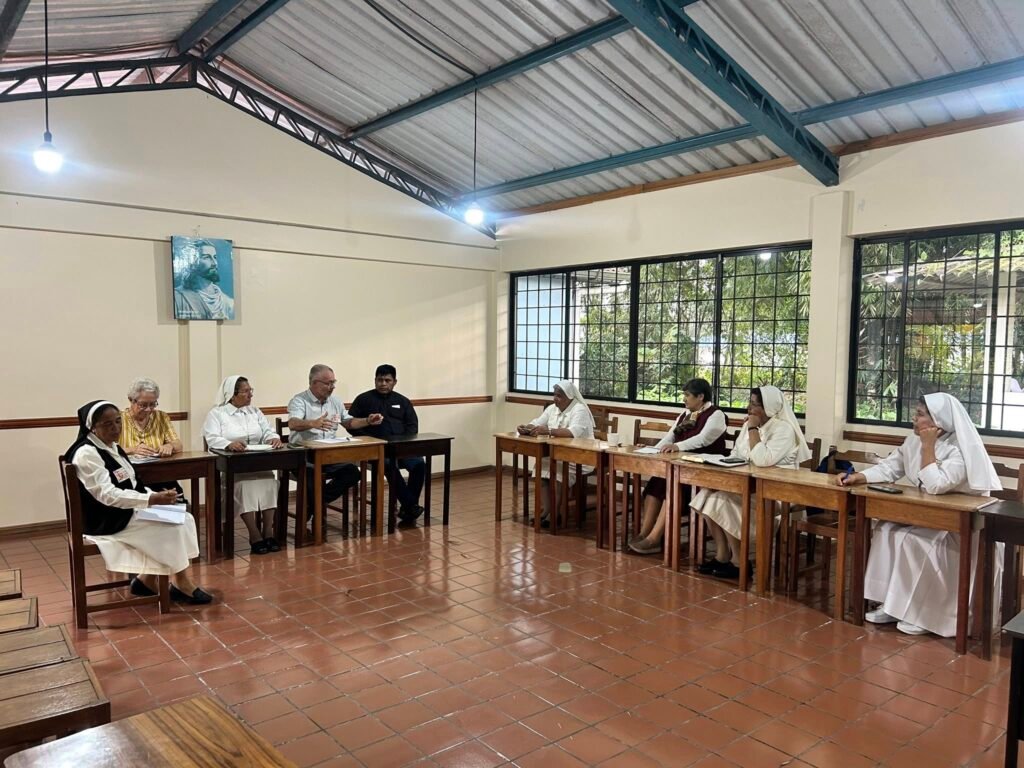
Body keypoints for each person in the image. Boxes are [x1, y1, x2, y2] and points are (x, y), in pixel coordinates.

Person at [837, 393, 1001, 636]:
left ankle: (923, 615)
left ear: (939, 422)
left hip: (960, 526)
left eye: (920, 414)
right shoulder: (913, 440)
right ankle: (893, 605)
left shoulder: (961, 449)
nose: (914, 419)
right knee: (886, 529)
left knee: (912, 541)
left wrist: (928, 446)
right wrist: (858, 477)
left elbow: (936, 485)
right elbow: (891, 466)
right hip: (929, 516)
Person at [65, 400, 211, 604]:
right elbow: (107, 494)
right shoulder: (87, 453)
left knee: (184, 517)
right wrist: (150, 499)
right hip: (106, 519)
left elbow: (133, 484)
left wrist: (158, 496)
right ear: (92, 427)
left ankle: (146, 580)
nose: (116, 428)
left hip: (124, 511)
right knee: (172, 526)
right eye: (108, 424)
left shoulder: (111, 447)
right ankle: (181, 582)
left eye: (118, 421)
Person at [691, 386, 811, 579]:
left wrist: (753, 429)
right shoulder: (750, 424)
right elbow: (736, 454)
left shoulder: (784, 429)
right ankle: (723, 555)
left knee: (721, 500)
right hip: (747, 486)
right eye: (750, 403)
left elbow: (762, 461)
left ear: (769, 407)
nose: (749, 408)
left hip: (776, 492)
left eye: (755, 405)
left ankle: (739, 562)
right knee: (706, 493)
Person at [628, 378, 728, 555]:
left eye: (687, 395)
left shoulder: (717, 415)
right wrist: (653, 449)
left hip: (701, 473)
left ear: (700, 396)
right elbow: (670, 437)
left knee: (672, 490)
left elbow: (703, 439)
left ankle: (654, 539)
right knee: (656, 484)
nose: (684, 399)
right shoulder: (685, 415)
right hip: (678, 468)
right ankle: (645, 533)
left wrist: (677, 446)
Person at [287, 364, 383, 529]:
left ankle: (313, 506)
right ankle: (316, 507)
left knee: (352, 472)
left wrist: (367, 420)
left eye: (333, 382)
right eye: (328, 383)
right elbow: (293, 423)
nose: (332, 387)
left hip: (329, 455)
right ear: (314, 383)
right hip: (304, 455)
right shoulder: (299, 400)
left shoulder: (335, 401)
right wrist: (312, 423)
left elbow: (348, 422)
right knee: (311, 475)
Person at [203, 376, 282, 555]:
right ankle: (254, 534)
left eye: (250, 390)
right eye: (246, 391)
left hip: (259, 465)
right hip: (235, 470)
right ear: (232, 394)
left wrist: (273, 437)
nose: (250, 395)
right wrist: (228, 444)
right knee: (245, 487)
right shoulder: (217, 414)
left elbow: (267, 430)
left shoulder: (254, 411)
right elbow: (212, 438)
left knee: (270, 483)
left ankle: (268, 531)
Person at [349, 364, 424, 525]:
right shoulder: (363, 399)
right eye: (380, 380)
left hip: (402, 448)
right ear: (375, 380)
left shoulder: (403, 401)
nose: (383, 383)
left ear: (394, 382)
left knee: (419, 464)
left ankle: (408, 507)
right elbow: (350, 424)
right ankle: (410, 505)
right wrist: (368, 439)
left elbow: (412, 426)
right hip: (375, 449)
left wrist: (405, 442)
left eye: (387, 380)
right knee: (389, 465)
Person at [516, 380, 595, 525]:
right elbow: (538, 422)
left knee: (557, 472)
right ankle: (547, 510)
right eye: (554, 395)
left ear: (569, 396)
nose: (555, 398)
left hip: (581, 456)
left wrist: (549, 431)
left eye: (559, 396)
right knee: (541, 468)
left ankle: (555, 513)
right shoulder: (552, 408)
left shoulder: (579, 410)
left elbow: (572, 432)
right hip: (558, 454)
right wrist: (526, 427)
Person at [173, 241, 234, 320]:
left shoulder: (228, 303)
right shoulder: (178, 298)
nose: (214, 263)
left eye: (215, 257)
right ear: (193, 262)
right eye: (207, 257)